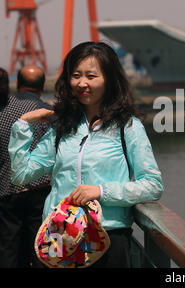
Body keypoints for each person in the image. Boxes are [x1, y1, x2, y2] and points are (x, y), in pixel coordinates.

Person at [8, 41, 164, 268]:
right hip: (60, 238)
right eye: (76, 75)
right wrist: (22, 126)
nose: (82, 83)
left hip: (107, 238)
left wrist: (101, 191)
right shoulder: (62, 128)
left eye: (91, 76)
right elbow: (21, 176)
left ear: (109, 80)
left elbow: (153, 184)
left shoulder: (127, 127)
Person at [0, 66, 52, 268]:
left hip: (7, 189)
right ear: (42, 86)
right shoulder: (49, 112)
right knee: (41, 246)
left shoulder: (3, 109)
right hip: (42, 190)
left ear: (18, 84)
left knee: (8, 247)